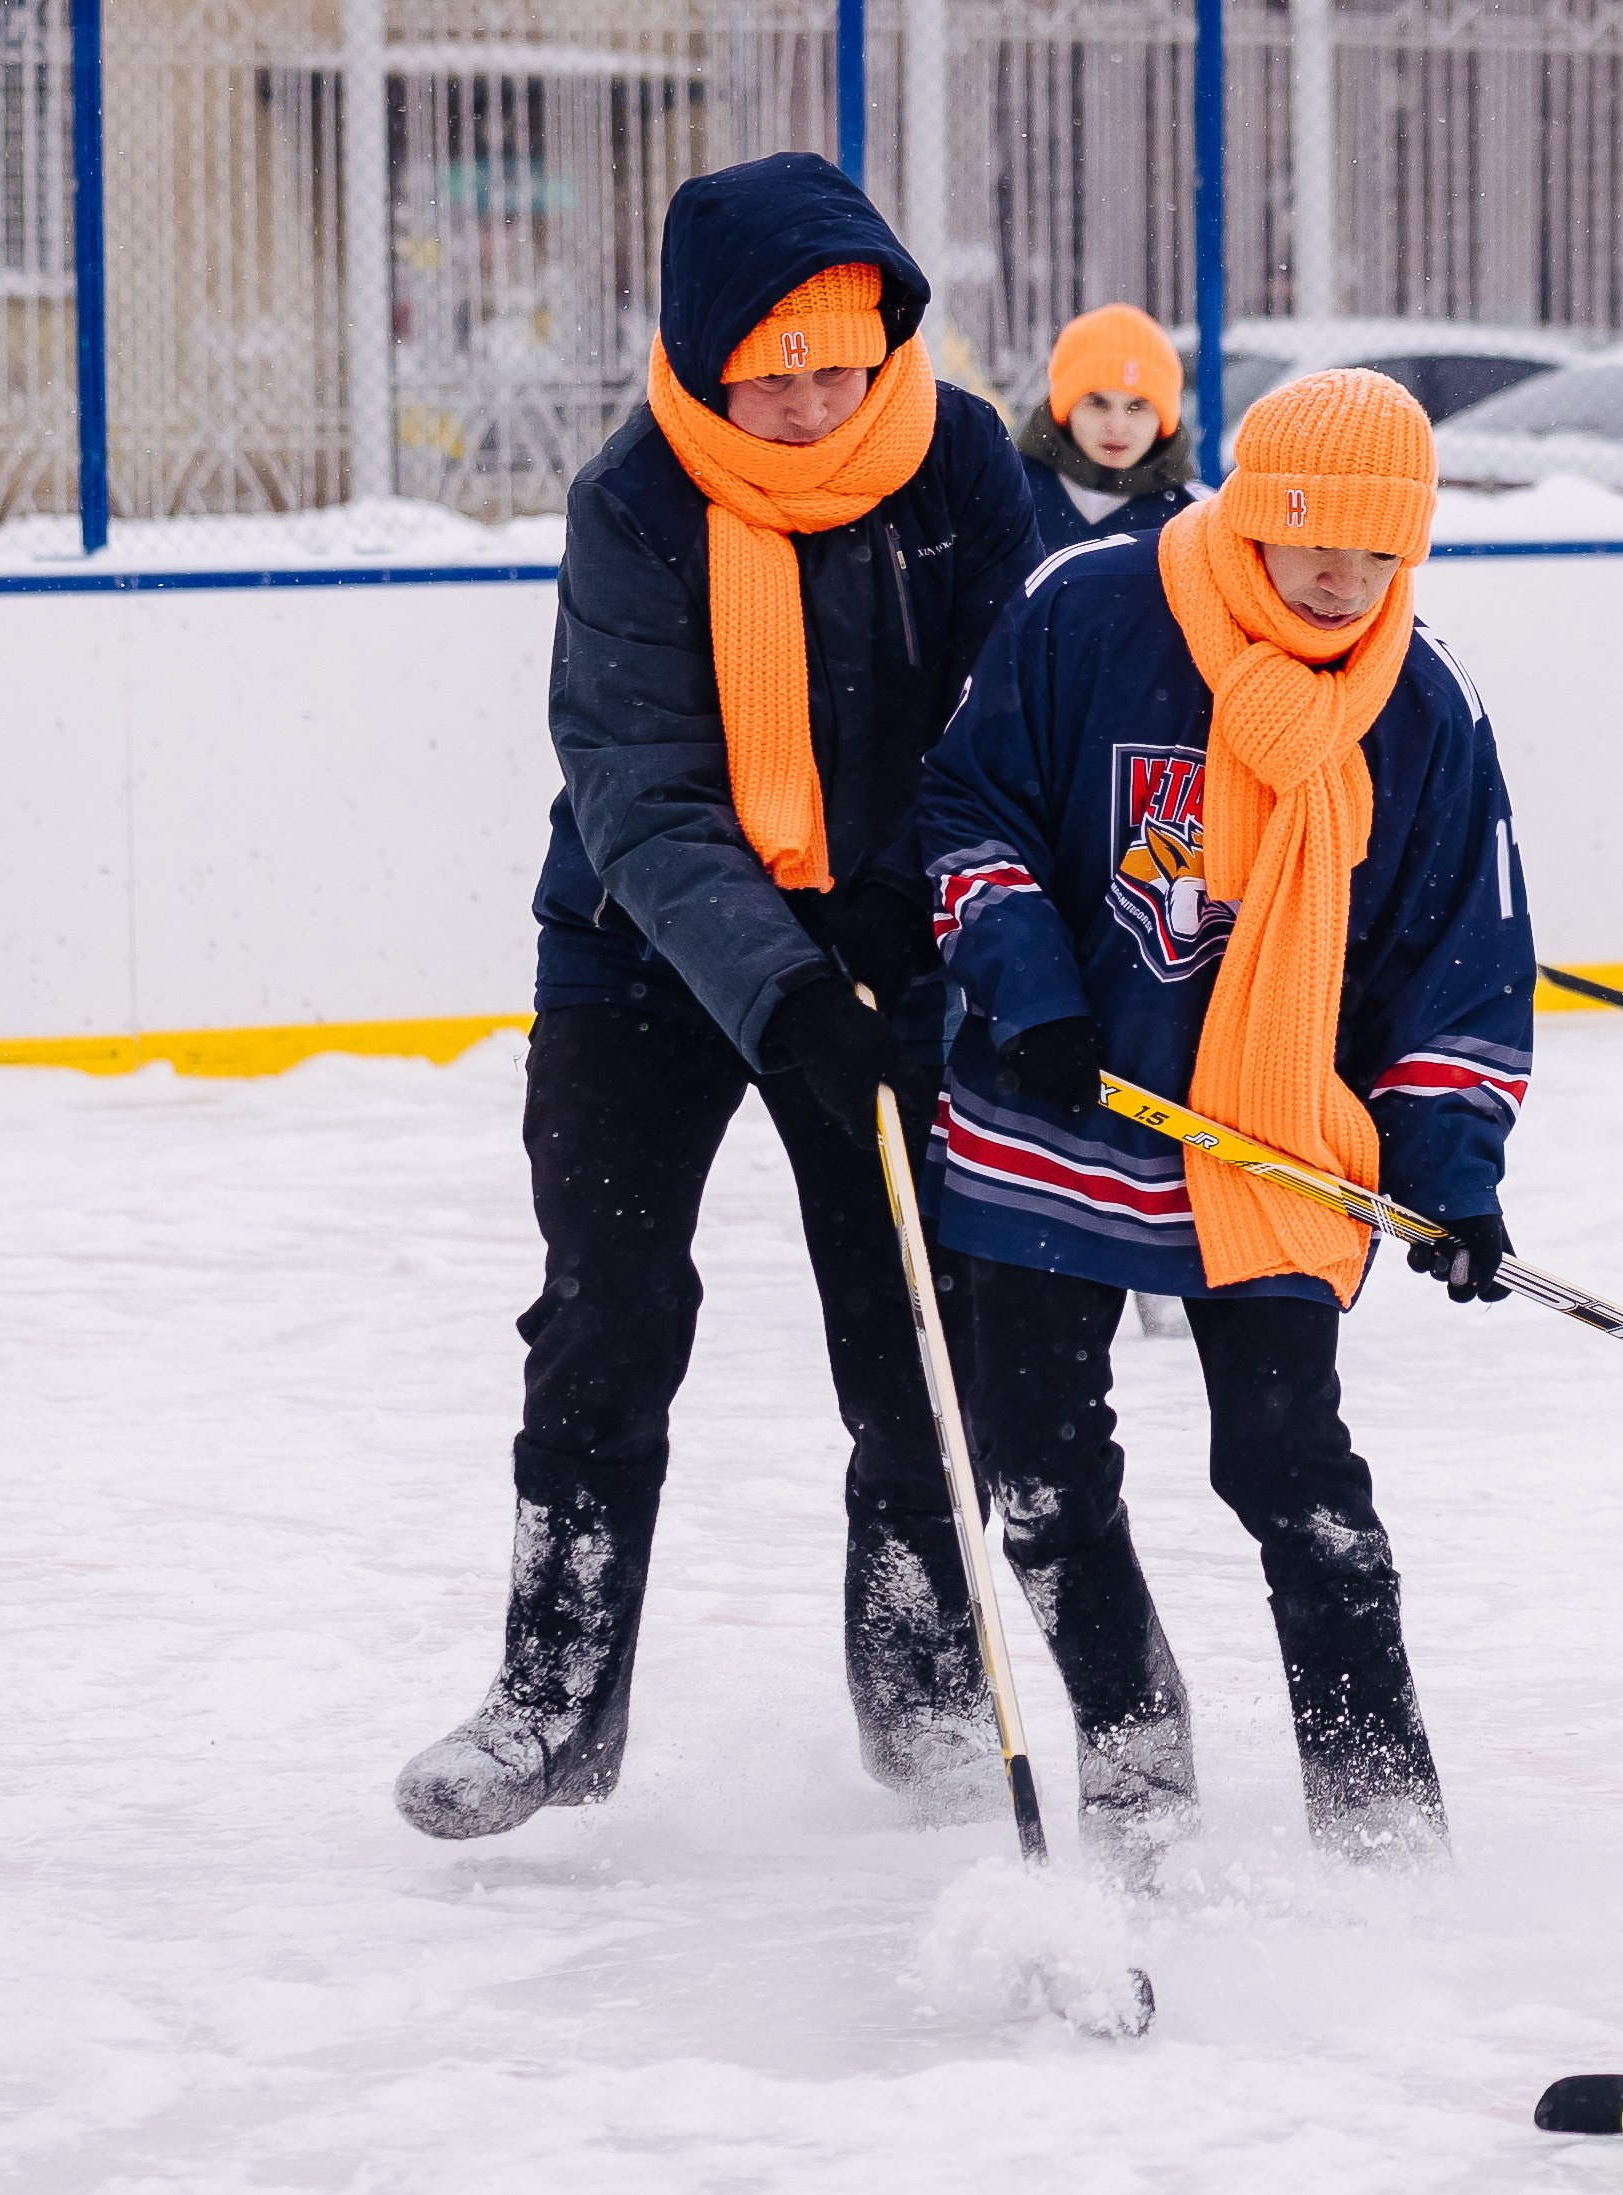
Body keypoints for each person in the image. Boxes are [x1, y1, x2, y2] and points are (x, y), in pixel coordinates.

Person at [394, 153, 1041, 1841]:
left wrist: (917, 945)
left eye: (843, 366)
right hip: (641, 951)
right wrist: (793, 1001)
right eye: (776, 378)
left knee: (915, 1317)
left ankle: (925, 1688)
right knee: (604, 1316)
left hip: (888, 951)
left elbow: (1008, 722)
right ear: (703, 366)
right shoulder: (635, 500)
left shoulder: (961, 457)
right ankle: (551, 1704)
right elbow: (644, 793)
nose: (818, 407)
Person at [916, 369, 1535, 1862]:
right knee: (1038, 1464)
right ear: (1251, 508)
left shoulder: (1423, 706)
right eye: (1312, 533)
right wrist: (1030, 986)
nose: (1339, 573)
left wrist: (1448, 1171)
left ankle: (1379, 1808)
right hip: (1051, 1114)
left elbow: (1459, 973)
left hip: (1265, 1140)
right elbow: (966, 809)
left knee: (1286, 1466)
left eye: (1378, 549)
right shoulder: (1088, 611)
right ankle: (1130, 1752)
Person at [1017, 304, 1200, 556]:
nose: (1117, 427)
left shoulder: (1194, 519)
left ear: (1164, 417)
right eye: (1097, 403)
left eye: (1137, 406)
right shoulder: (1006, 491)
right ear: (1065, 409)